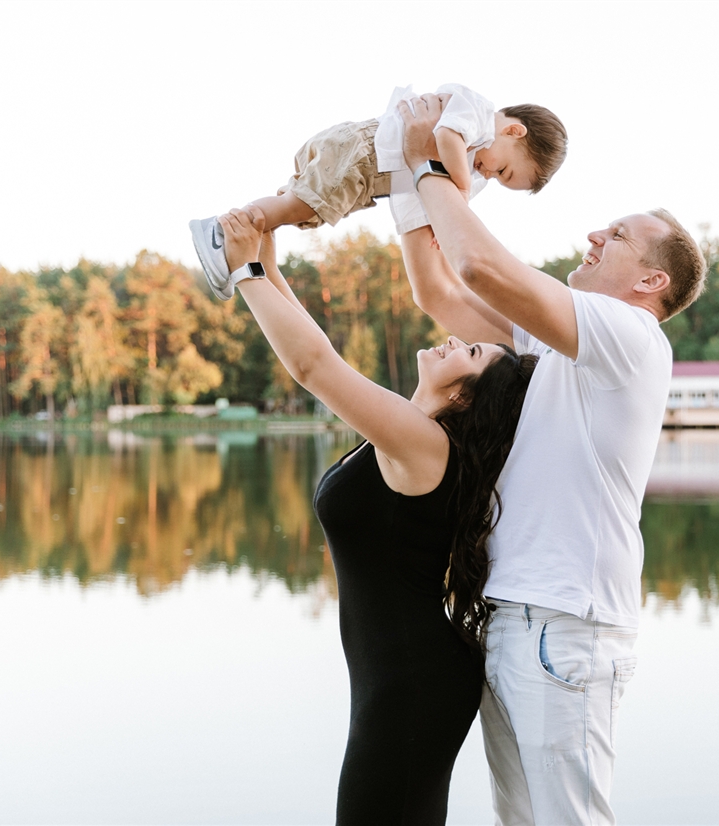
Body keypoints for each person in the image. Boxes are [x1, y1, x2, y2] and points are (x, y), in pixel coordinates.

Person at [396, 95, 707, 824]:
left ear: (651, 281)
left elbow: (481, 264)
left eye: (620, 235)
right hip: (512, 622)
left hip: (564, 631)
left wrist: (429, 159)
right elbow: (438, 287)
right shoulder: (562, 344)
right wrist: (404, 172)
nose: (595, 233)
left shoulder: (630, 335)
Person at [216, 208, 538, 824]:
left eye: (469, 350)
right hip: (399, 676)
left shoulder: (424, 446)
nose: (451, 338)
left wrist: (245, 273)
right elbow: (322, 353)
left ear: (467, 397)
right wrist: (270, 264)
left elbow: (313, 369)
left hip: (413, 684)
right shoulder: (408, 433)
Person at [190, 84, 567, 301]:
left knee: (302, 211)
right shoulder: (477, 113)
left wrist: (444, 221)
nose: (491, 175)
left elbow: (430, 195)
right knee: (295, 205)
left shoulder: (473, 164)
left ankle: (237, 250)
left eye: (500, 180)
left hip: (368, 178)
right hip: (360, 154)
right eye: (503, 170)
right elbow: (444, 136)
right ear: (514, 131)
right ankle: (220, 232)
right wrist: (460, 196)